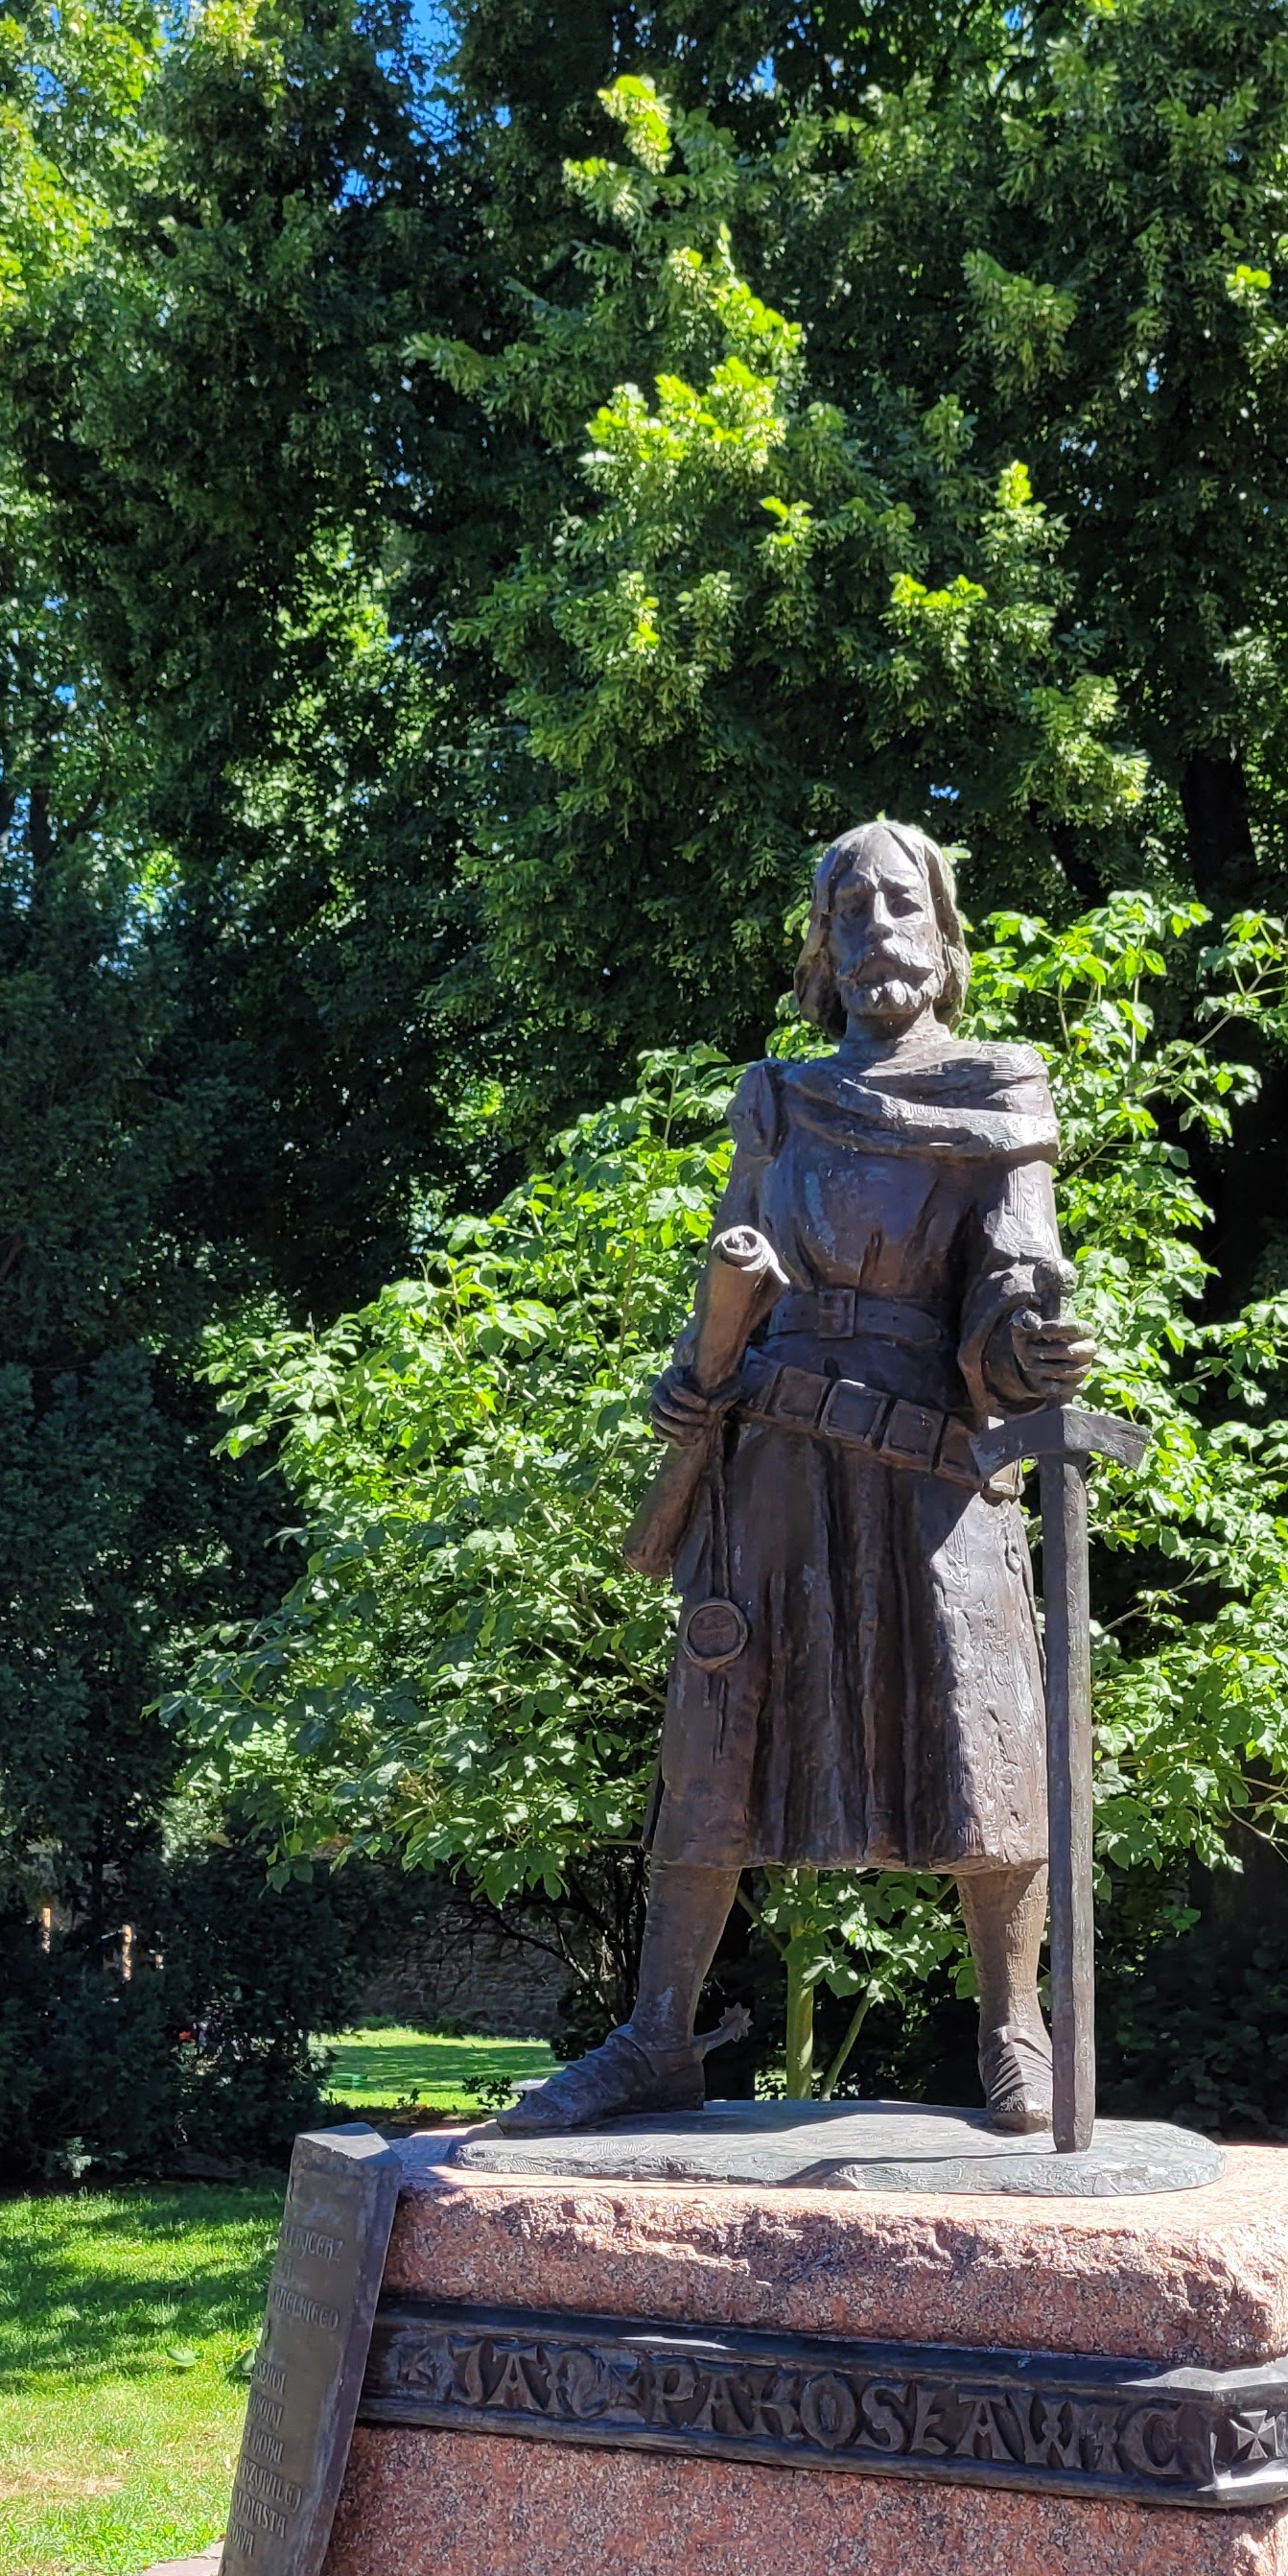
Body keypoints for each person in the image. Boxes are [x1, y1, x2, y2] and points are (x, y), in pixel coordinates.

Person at [495, 816, 1095, 2139]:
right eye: (849, 911)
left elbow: (1015, 1269)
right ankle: (658, 2038)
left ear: (944, 935)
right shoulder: (778, 1097)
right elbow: (735, 1264)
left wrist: (1027, 1344)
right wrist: (694, 1375)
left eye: (901, 905)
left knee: (985, 1727)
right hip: (771, 1461)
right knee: (716, 1735)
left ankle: (1016, 2031)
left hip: (932, 1462)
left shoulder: (997, 1084)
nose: (878, 932)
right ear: (823, 947)